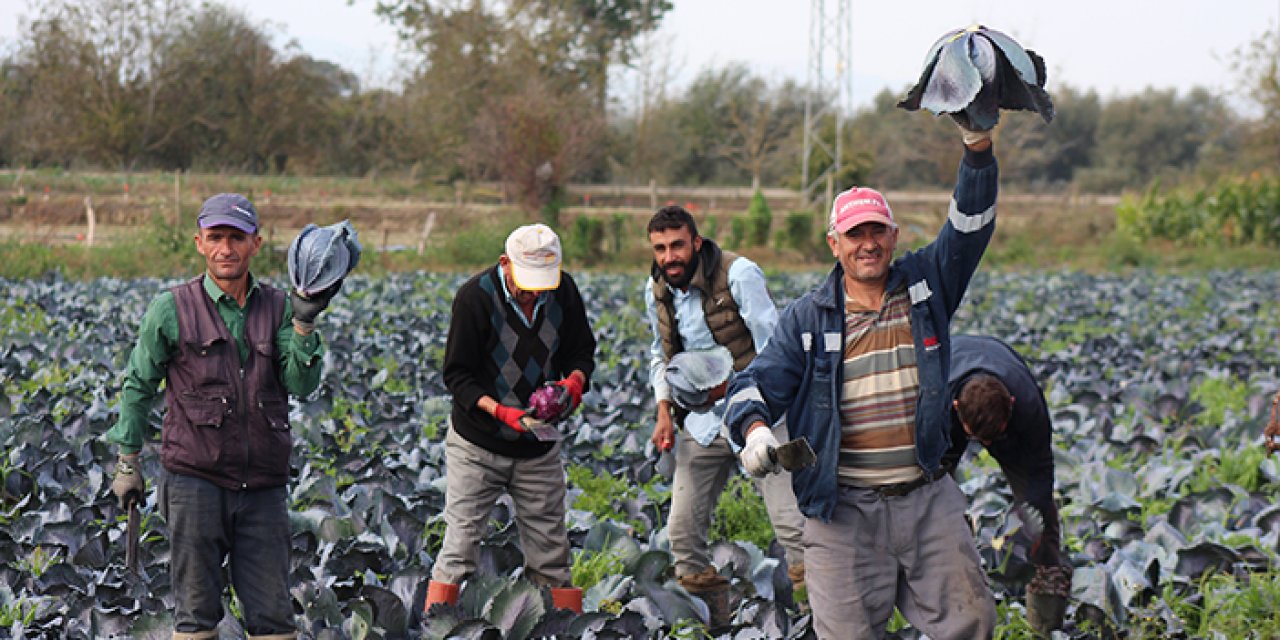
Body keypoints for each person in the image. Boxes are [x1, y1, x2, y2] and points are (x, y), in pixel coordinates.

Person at [723, 122, 1001, 639]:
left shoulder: (927, 286)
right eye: (855, 235)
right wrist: (756, 430)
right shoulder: (809, 319)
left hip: (926, 498)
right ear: (835, 244)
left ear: (893, 236)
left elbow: (971, 226)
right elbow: (754, 384)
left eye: (877, 231)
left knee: (972, 620)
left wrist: (977, 147)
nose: (867, 244)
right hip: (842, 511)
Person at [107, 193, 339, 640]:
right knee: (195, 617)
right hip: (195, 481)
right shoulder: (171, 309)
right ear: (199, 242)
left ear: (257, 243)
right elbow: (138, 386)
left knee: (273, 617)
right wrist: (127, 463)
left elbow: (302, 386)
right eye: (216, 238)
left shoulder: (281, 307)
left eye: (237, 238)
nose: (225, 249)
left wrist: (306, 326)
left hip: (263, 487)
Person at [644, 205, 807, 629]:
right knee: (681, 534)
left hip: (758, 416)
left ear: (696, 242)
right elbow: (659, 355)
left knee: (794, 529)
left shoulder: (739, 274)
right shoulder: (657, 288)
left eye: (677, 245)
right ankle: (715, 621)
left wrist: (731, 390)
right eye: (660, 248)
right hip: (700, 423)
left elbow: (774, 348)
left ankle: (819, 621)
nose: (669, 256)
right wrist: (664, 409)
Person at [424, 223, 596, 615]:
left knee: (552, 555)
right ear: (505, 263)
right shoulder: (475, 299)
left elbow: (582, 350)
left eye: (543, 283)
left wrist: (574, 381)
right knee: (461, 546)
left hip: (538, 446)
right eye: (528, 282)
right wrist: (500, 411)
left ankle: (558, 627)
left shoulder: (563, 291)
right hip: (477, 445)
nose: (535, 292)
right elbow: (457, 376)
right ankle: (436, 626)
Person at [942, 334, 1070, 636]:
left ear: (1011, 405)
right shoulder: (936, 398)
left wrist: (1028, 528)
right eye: (978, 439)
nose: (985, 446)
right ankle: (954, 593)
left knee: (1041, 515)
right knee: (934, 501)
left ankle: (1045, 613)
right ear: (957, 407)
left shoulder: (1027, 404)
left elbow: (1039, 473)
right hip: (949, 396)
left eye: (991, 438)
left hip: (1007, 404)